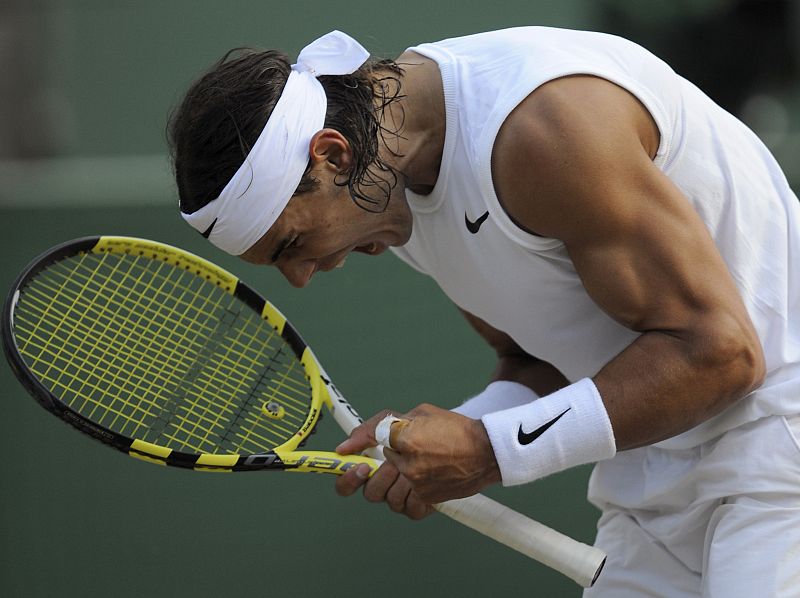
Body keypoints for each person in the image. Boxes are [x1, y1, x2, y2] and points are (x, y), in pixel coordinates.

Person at [168, 28, 800, 597]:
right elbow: (537, 358)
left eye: (292, 246)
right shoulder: (388, 193)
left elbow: (722, 353)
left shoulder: (544, 128)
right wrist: (447, 443)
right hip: (651, 477)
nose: (304, 276)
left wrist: (487, 450)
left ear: (333, 154)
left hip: (780, 441)